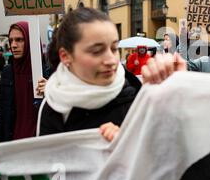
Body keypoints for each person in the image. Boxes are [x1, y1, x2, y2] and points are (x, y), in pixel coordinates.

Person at [37, 8, 143, 142]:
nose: (111, 60)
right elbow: (48, 160)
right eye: (97, 51)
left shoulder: (137, 101)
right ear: (65, 56)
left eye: (114, 49)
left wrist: (126, 145)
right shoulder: (53, 105)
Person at [0, 22, 48, 143]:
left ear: (31, 41)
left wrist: (52, 92)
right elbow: (1, 111)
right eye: (11, 40)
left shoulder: (48, 73)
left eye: (19, 40)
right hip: (12, 143)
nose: (13, 45)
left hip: (40, 145)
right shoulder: (8, 72)